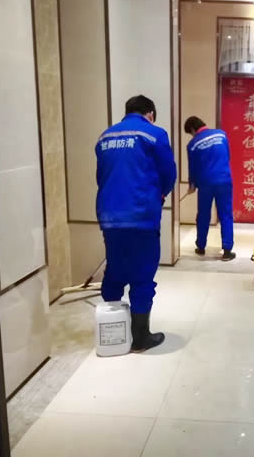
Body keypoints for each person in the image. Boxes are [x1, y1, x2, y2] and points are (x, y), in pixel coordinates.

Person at [96, 95, 177, 352]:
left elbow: (101, 176)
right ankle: (141, 337)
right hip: (141, 215)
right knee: (142, 274)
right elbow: (169, 174)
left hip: (110, 216)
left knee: (115, 271)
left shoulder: (105, 137)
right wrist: (160, 194)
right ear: (150, 114)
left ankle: (113, 333)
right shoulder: (155, 134)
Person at [184, 115, 236, 261]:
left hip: (205, 183)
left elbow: (193, 168)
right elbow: (228, 156)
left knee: (203, 215)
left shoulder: (192, 144)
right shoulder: (221, 134)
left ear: (193, 129)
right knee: (225, 215)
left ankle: (201, 247)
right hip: (224, 180)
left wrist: (192, 185)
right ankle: (227, 251)